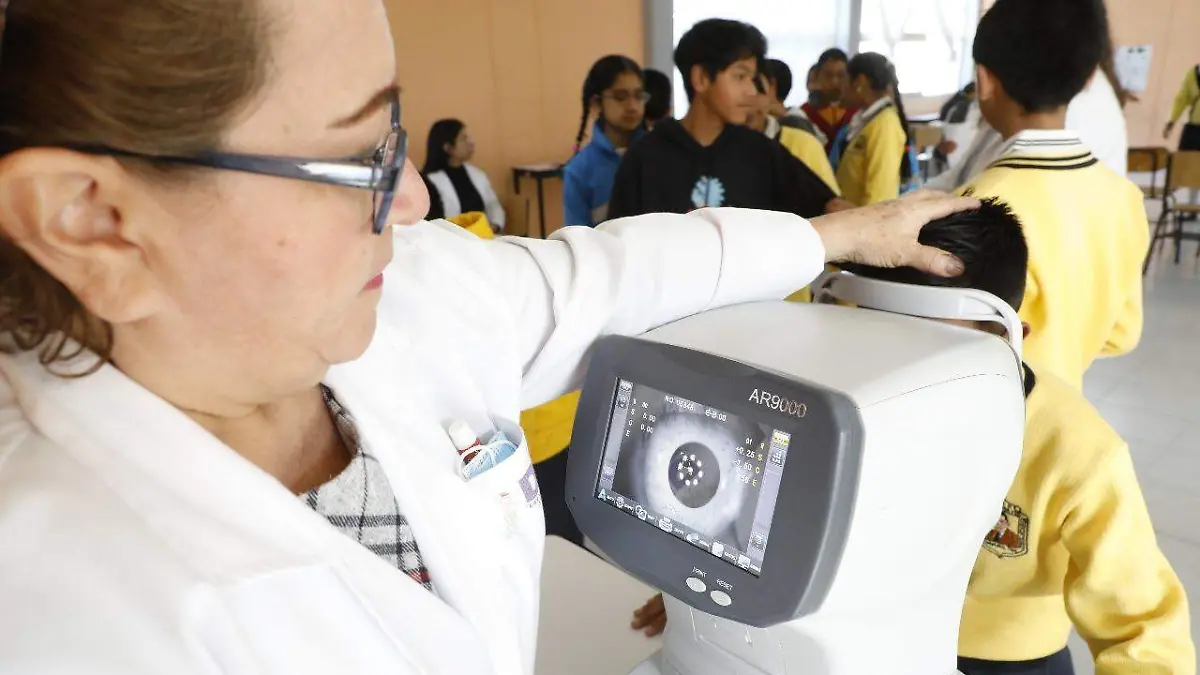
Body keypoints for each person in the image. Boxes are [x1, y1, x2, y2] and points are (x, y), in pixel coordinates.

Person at [0, 1, 979, 672]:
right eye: (359, 156)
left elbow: (603, 277)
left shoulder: (408, 295)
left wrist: (830, 236)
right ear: (93, 219)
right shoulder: (64, 615)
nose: (418, 195)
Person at [844, 200, 1195, 675]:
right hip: (870, 634)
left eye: (930, 356)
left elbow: (1144, 628)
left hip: (1008, 658)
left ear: (1006, 338)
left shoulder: (1075, 449)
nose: (900, 381)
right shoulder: (845, 409)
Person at [959, 0, 1147, 390]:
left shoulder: (974, 204)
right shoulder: (1124, 198)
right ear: (1090, 76)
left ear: (984, 81)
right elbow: (1121, 335)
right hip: (1063, 411)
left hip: (988, 420)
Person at [607, 19, 838, 220]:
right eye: (740, 76)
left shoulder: (762, 154)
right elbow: (619, 248)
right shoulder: (645, 158)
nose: (750, 90)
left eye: (752, 78)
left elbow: (827, 207)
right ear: (702, 78)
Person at [562, 55, 647, 227]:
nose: (632, 106)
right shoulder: (580, 170)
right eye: (620, 97)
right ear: (596, 103)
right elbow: (579, 239)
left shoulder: (659, 153)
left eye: (638, 96)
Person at [834, 52, 915, 206]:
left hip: (863, 226)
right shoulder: (865, 121)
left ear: (860, 82)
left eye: (843, 78)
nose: (839, 86)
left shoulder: (885, 125)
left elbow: (879, 198)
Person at [747, 71, 839, 194]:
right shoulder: (722, 146)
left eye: (757, 89)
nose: (748, 99)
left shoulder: (803, 142)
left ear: (771, 90)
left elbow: (831, 204)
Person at [422, 118, 506, 232]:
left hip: (483, 238)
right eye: (463, 138)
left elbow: (492, 203)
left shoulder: (477, 174)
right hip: (451, 241)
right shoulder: (429, 182)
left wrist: (495, 225)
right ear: (447, 147)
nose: (471, 142)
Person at [800, 48, 855, 151]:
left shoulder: (857, 113)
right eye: (828, 75)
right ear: (817, 76)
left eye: (841, 75)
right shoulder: (804, 114)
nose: (834, 82)